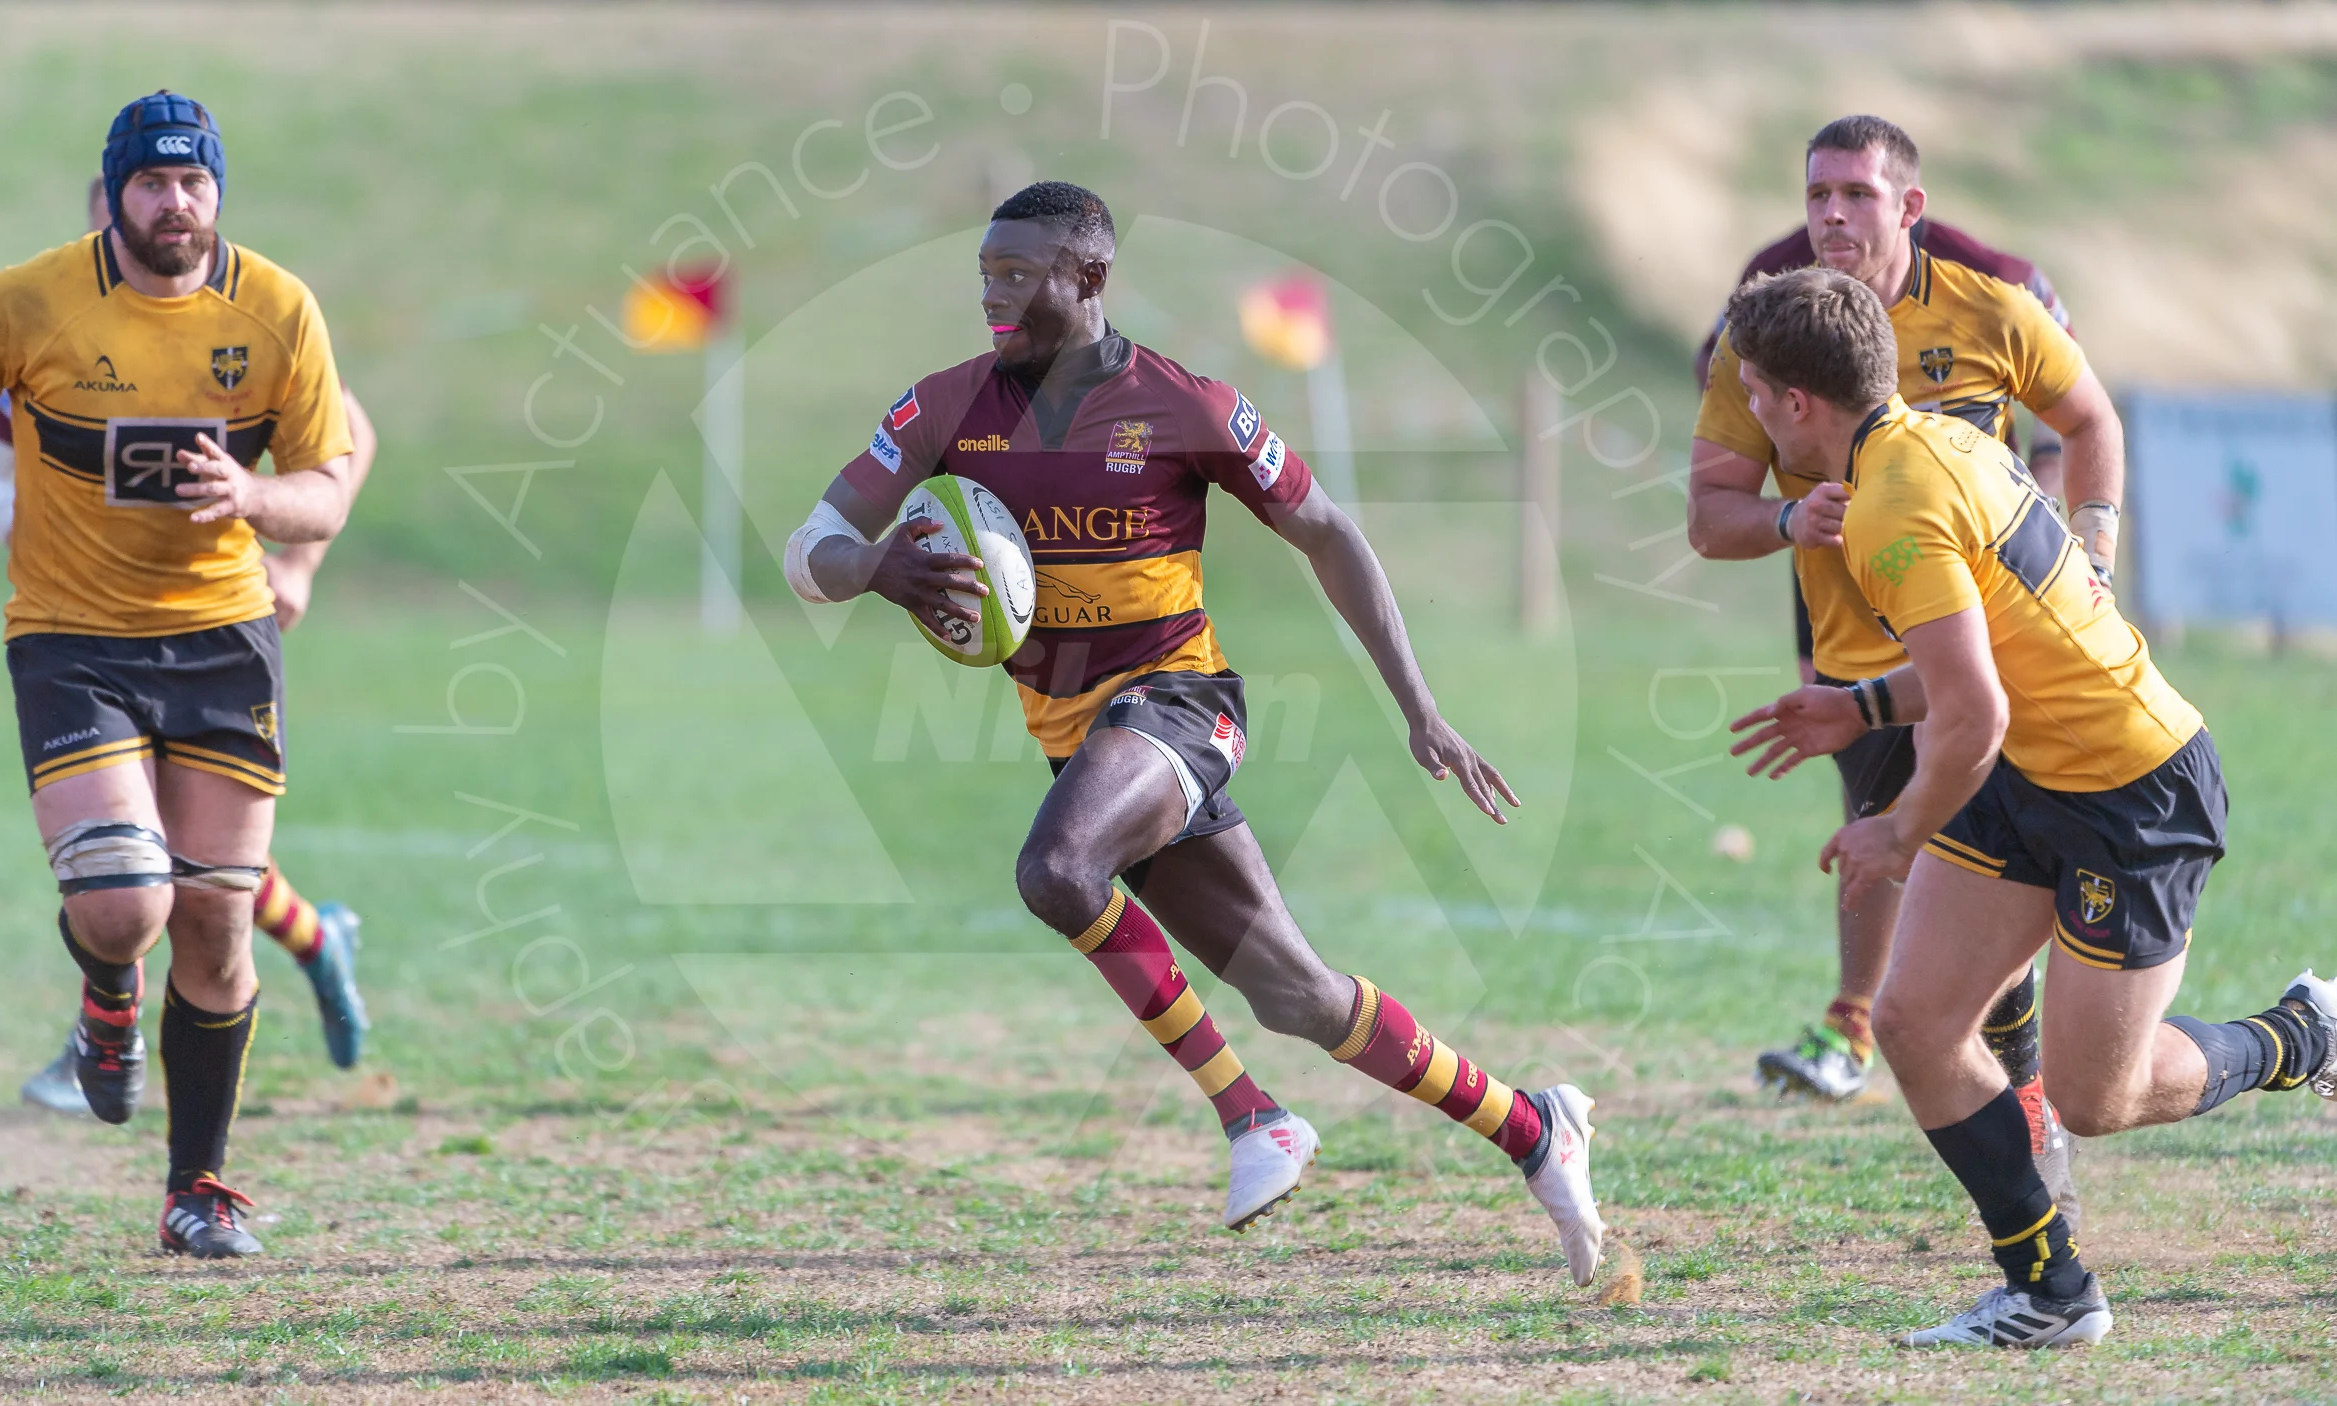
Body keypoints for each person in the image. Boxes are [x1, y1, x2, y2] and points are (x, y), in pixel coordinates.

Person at [780, 182, 1604, 1283]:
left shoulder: (1185, 402)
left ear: (1089, 278)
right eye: (985, 271)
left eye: (1018, 274)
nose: (993, 294)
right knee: (1296, 992)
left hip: (1179, 706)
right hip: (1088, 744)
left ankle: (1251, 1113)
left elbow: (1329, 534)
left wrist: (1421, 708)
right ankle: (1531, 1126)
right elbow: (811, 545)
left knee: (1056, 867)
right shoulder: (944, 405)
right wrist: (873, 565)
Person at [1721, 266, 2334, 1348]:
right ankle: (2049, 1288)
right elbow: (1983, 665)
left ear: (1796, 403)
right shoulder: (1939, 445)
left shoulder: (1890, 505)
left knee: (2103, 1095)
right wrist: (1856, 704)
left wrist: (1895, 828)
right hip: (2031, 773)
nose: (1751, 409)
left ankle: (2303, 1034)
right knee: (1912, 1020)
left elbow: (1972, 717)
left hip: (2130, 790)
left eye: (1755, 390)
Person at [0, 92, 359, 1258]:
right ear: (115, 192)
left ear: (218, 192)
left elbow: (330, 479)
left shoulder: (279, 308)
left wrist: (254, 498)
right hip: (73, 640)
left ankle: (199, 1187)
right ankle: (104, 995)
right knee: (122, 901)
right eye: (152, 183)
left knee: (217, 922)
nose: (174, 203)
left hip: (224, 639)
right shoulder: (25, 300)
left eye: (194, 183)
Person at [1687, 116, 2123, 1209]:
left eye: (1856, 194)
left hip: (1998, 659)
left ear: (1907, 208)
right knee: (1905, 873)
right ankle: (1999, 1100)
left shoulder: (1991, 301)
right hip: (1857, 674)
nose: (1831, 214)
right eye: (1816, 193)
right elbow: (1707, 513)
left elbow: (2084, 419)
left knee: (1986, 895)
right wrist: (1792, 521)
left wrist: (2095, 548)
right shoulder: (1770, 314)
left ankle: (2032, 1128)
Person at [0, 175, 373, 1118]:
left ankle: (131, 1036)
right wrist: (63, 534)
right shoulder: (54, 319)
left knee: (182, 865)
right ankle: (311, 942)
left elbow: (351, 435)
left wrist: (296, 568)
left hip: (211, 618)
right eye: (117, 213)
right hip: (85, 627)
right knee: (132, 856)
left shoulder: (242, 317)